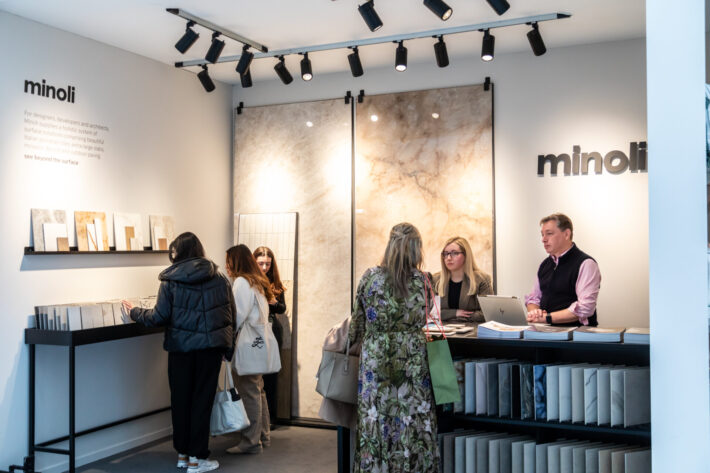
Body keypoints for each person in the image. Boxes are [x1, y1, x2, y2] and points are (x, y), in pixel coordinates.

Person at [122, 232, 235, 473]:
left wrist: (134, 312)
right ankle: (197, 457)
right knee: (202, 403)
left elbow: (159, 316)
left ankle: (184, 455)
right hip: (210, 351)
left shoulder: (170, 281)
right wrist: (228, 348)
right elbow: (228, 315)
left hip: (181, 350)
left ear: (177, 253)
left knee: (180, 401)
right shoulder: (219, 278)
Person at [348, 222, 439, 473]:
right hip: (412, 359)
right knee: (412, 417)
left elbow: (356, 325)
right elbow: (428, 316)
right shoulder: (424, 280)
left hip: (377, 359)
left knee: (376, 417)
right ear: (417, 248)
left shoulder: (369, 277)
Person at [225, 244, 274, 454]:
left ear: (236, 262)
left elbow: (236, 317)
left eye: (228, 261)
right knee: (257, 390)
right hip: (259, 344)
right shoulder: (257, 282)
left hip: (247, 345)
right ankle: (263, 435)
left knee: (249, 391)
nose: (226, 266)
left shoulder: (242, 283)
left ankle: (250, 442)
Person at [525, 213, 601, 326]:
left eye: (549, 234)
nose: (543, 239)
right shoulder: (544, 265)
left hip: (577, 334)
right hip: (546, 331)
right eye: (542, 235)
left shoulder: (586, 264)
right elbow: (533, 299)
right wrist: (535, 313)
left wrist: (547, 318)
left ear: (566, 234)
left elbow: (585, 308)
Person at [253, 246, 286, 425]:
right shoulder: (248, 281)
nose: (265, 267)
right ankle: (256, 418)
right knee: (254, 375)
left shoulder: (275, 282)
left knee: (271, 375)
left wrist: (273, 302)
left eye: (268, 264)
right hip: (255, 330)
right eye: (261, 263)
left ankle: (271, 418)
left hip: (273, 329)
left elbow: (282, 308)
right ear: (253, 262)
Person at [432, 236, 493, 323]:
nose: (448, 258)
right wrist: (455, 313)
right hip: (442, 330)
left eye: (454, 253)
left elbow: (487, 314)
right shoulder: (435, 280)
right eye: (445, 254)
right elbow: (430, 313)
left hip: (472, 330)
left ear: (466, 255)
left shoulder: (482, 280)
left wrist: (450, 316)